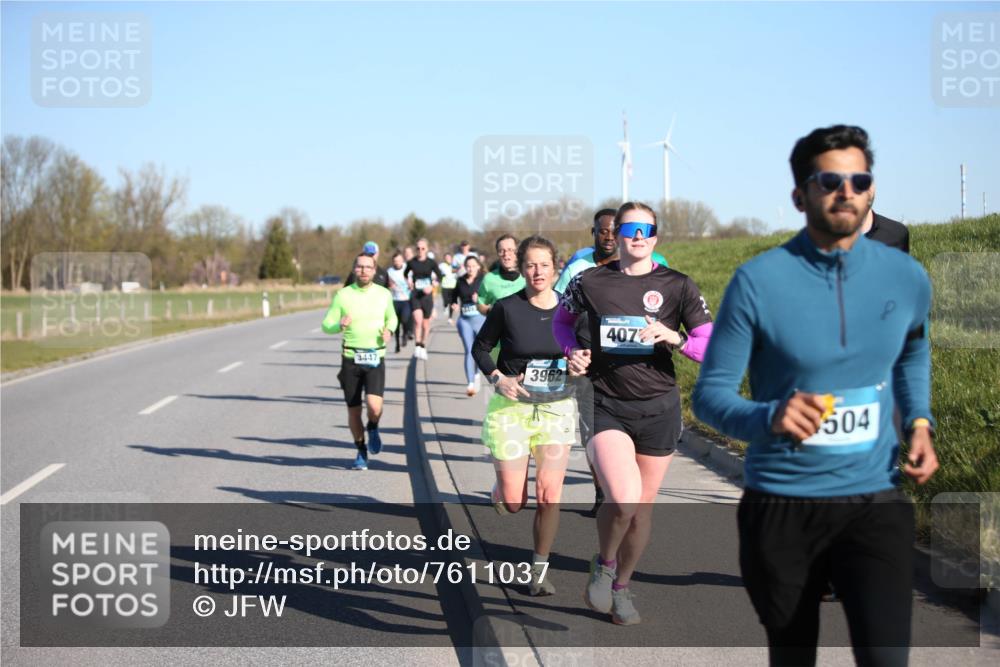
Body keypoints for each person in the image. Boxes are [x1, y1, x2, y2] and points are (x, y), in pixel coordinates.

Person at [692, 125, 938, 666]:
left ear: (871, 189)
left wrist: (919, 422)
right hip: (782, 504)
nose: (846, 190)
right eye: (830, 180)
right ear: (800, 195)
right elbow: (709, 398)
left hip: (873, 500)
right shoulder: (759, 281)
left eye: (859, 179)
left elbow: (912, 354)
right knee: (793, 656)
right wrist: (771, 417)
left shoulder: (906, 276)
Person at [554, 202, 714, 625]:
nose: (639, 235)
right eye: (630, 228)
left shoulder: (678, 285)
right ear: (616, 235)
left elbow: (710, 346)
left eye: (647, 228)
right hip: (605, 403)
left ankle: (623, 586)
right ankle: (605, 564)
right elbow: (560, 323)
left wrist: (675, 338)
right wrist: (571, 353)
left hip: (658, 408)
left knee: (641, 509)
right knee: (622, 497)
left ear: (656, 237)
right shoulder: (589, 281)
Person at [473, 235, 576, 597]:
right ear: (521, 266)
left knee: (549, 495)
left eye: (544, 264)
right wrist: (497, 378)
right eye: (530, 264)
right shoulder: (506, 307)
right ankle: (500, 490)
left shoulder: (570, 309)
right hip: (512, 410)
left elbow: (585, 352)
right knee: (514, 502)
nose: (537, 271)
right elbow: (481, 348)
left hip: (555, 408)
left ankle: (538, 571)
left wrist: (580, 364)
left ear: (555, 267)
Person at [554, 208, 671, 517]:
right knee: (597, 434)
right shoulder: (580, 270)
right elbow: (558, 314)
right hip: (591, 364)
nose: (607, 236)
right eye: (603, 231)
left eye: (611, 230)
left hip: (645, 375)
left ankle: (619, 487)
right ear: (596, 233)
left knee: (636, 492)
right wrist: (571, 351)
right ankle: (601, 488)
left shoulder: (659, 267)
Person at [322, 253, 398, 471]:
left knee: (374, 407)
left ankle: (373, 426)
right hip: (351, 359)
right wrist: (338, 325)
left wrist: (389, 329)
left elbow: (392, 317)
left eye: (368, 267)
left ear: (375, 271)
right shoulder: (343, 295)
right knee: (354, 411)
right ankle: (361, 450)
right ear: (354, 269)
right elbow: (326, 324)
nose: (364, 270)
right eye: (360, 267)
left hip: (375, 356)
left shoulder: (384, 294)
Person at [449, 254, 486, 396]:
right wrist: (453, 306)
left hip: (480, 319)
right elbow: (453, 298)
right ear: (465, 267)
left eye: (473, 266)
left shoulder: (483, 280)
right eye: (468, 266)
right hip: (464, 320)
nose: (470, 268)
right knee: (469, 350)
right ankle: (470, 383)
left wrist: (480, 299)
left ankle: (477, 373)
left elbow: (490, 298)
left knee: (479, 350)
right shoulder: (460, 281)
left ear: (478, 266)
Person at [404, 238, 444, 359]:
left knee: (426, 325)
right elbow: (405, 274)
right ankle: (417, 345)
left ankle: (423, 345)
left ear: (426, 249)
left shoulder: (431, 262)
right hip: (416, 294)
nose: (420, 250)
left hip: (427, 296)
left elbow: (440, 277)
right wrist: (409, 282)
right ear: (416, 249)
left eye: (423, 248)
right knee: (417, 321)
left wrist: (432, 286)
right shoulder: (411, 262)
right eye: (418, 248)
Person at [477, 234, 524, 315]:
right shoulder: (489, 279)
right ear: (498, 253)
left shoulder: (527, 275)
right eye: (501, 251)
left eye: (510, 250)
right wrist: (490, 312)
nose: (506, 254)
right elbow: (480, 304)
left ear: (517, 252)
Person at [386, 251, 412, 353]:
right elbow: (387, 283)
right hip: (395, 300)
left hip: (406, 299)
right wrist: (390, 285)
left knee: (405, 319)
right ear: (393, 261)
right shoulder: (389, 271)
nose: (397, 263)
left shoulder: (407, 268)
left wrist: (411, 284)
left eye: (399, 260)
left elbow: (412, 279)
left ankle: (405, 334)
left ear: (402, 260)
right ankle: (397, 344)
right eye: (395, 261)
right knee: (396, 324)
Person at [439, 252, 458, 318]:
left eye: (449, 257)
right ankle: (445, 306)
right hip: (445, 285)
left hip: (453, 286)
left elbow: (456, 271)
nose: (448, 259)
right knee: (445, 300)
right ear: (444, 258)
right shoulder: (442, 265)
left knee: (452, 302)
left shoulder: (454, 265)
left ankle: (450, 317)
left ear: (451, 258)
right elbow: (440, 273)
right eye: (446, 258)